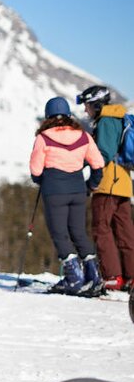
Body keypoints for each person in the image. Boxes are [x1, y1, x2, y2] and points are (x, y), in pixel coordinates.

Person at [29, 97, 105, 295]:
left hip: (54, 191)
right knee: (79, 232)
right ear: (69, 115)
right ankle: (94, 277)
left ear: (48, 116)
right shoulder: (83, 136)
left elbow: (36, 170)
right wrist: (92, 184)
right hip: (78, 190)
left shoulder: (44, 138)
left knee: (60, 234)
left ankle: (73, 278)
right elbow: (98, 164)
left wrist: (40, 180)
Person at [78, 85, 134, 291]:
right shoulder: (118, 117)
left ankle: (112, 276)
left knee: (101, 228)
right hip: (124, 183)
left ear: (96, 104)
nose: (86, 110)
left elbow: (105, 154)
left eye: (87, 105)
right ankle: (130, 276)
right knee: (124, 231)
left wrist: (89, 175)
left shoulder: (106, 121)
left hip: (108, 183)